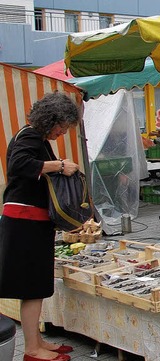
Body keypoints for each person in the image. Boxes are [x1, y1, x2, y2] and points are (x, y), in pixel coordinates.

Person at [0, 92, 80, 361]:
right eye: (63, 126)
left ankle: (36, 340)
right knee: (31, 286)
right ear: (52, 119)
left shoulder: (37, 138)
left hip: (32, 222)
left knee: (35, 286)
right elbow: (19, 165)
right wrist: (59, 165)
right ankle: (32, 349)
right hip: (24, 222)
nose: (63, 132)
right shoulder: (30, 136)